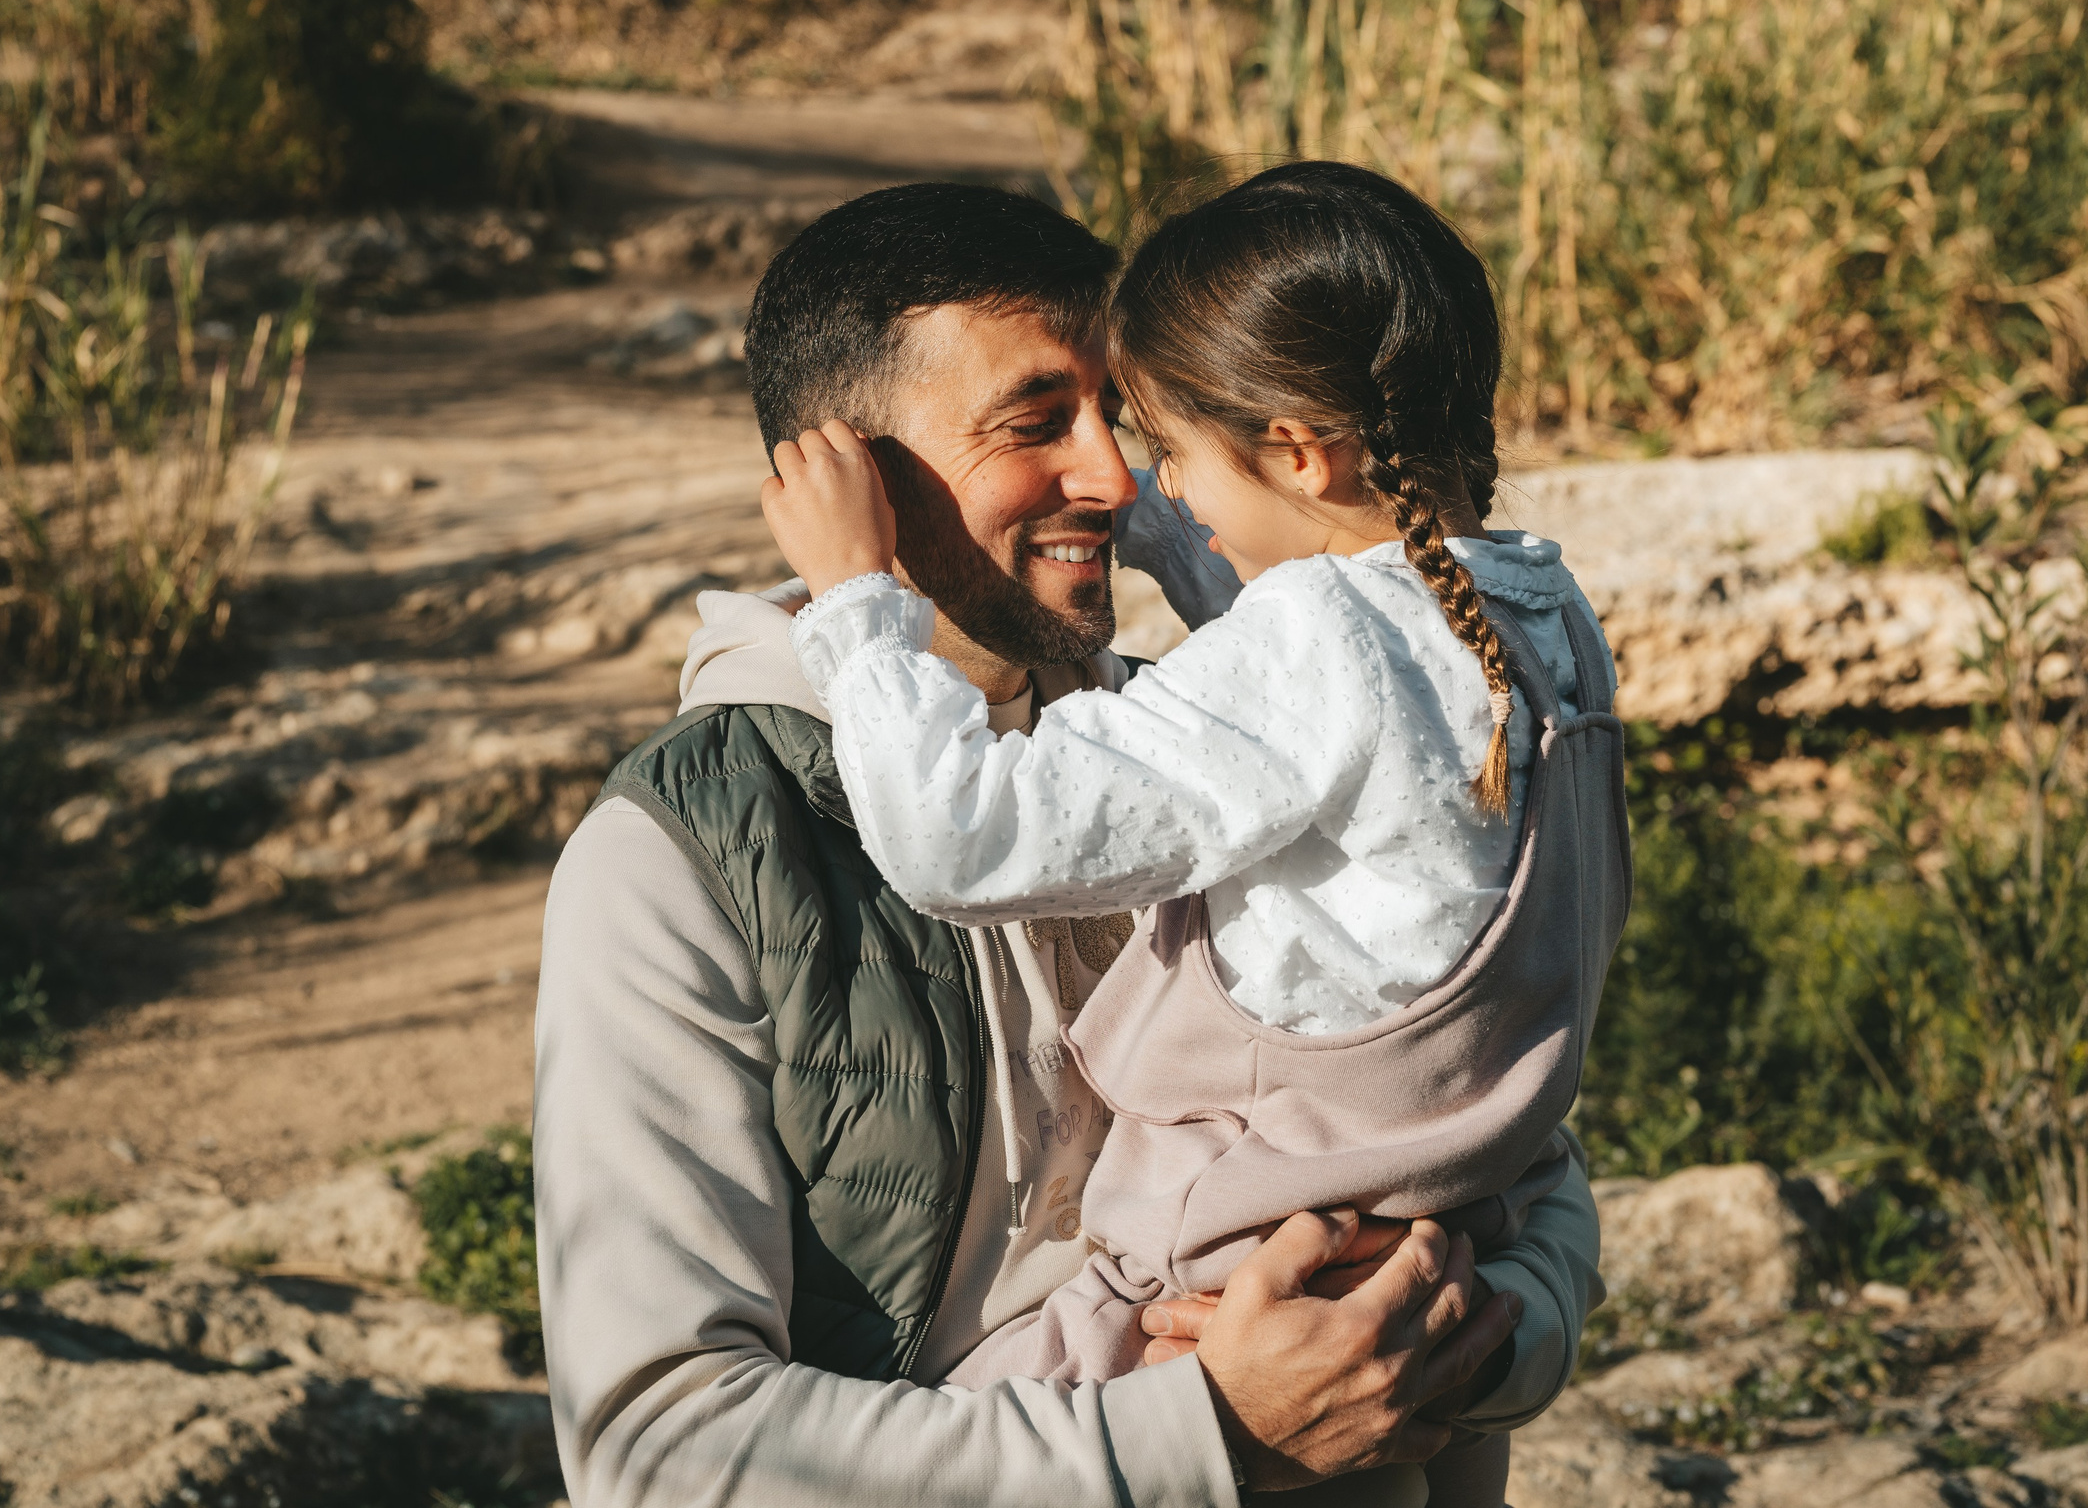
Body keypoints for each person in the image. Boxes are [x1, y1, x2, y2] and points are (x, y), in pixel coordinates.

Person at [533, 179, 1606, 1507]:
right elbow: (659, 1452)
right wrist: (1210, 1433)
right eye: (1039, 423)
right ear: (855, 482)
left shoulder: (1218, 748)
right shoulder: (682, 859)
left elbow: (1495, 1121)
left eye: (1129, 416)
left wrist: (1465, 1342)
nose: (1114, 479)